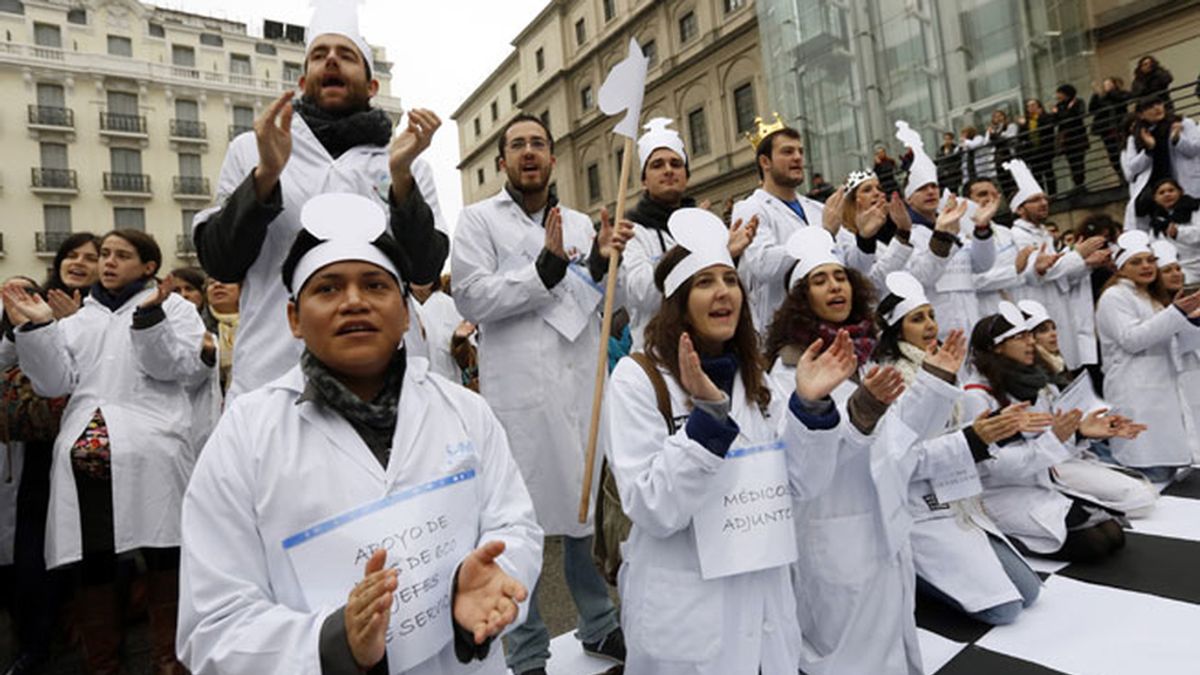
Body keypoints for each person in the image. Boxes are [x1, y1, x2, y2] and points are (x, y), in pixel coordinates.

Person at [177, 193, 543, 675]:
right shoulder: (246, 434)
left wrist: (488, 585)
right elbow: (213, 624)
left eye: (374, 285)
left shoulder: (464, 410)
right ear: (294, 319)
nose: (353, 301)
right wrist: (333, 642)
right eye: (327, 288)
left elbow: (514, 526)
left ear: (406, 314)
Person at [603, 208, 850, 674]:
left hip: (765, 605)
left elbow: (803, 487)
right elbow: (651, 507)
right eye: (704, 282)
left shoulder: (758, 381)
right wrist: (707, 424)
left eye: (730, 280)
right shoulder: (638, 380)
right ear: (677, 301)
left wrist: (811, 410)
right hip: (689, 612)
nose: (723, 292)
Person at [192, 2, 447, 400]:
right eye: (319, 55)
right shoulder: (253, 149)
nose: (331, 60)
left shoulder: (405, 162)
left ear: (372, 85)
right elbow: (221, 260)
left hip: (384, 375)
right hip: (274, 372)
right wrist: (266, 177)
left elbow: (425, 269)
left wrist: (401, 181)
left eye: (346, 55)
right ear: (302, 80)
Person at [451, 114, 631, 674]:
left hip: (580, 387)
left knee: (581, 515)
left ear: (553, 159)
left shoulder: (579, 224)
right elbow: (471, 297)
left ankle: (599, 624)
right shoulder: (477, 222)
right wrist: (544, 271)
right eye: (517, 145)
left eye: (539, 144)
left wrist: (601, 264)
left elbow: (608, 304)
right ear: (502, 162)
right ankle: (526, 649)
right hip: (520, 398)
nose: (529, 152)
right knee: (517, 523)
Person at [764, 231, 973, 674]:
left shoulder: (864, 360)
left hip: (883, 525)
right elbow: (802, 466)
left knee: (888, 643)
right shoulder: (785, 373)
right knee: (845, 650)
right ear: (801, 298)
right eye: (819, 281)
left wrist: (935, 382)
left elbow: (899, 442)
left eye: (840, 276)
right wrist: (860, 414)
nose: (835, 286)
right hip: (832, 530)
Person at [3, 230, 211, 675]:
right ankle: (103, 664)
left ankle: (168, 659)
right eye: (105, 255)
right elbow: (53, 383)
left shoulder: (176, 308)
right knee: (93, 558)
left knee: (164, 551)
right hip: (88, 452)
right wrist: (38, 328)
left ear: (149, 266)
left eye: (121, 255)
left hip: (155, 445)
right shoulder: (78, 320)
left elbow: (182, 368)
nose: (108, 262)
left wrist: (149, 320)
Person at [873, 274, 1041, 627]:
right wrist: (974, 441)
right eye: (917, 318)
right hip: (919, 507)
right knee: (1003, 610)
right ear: (896, 330)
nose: (930, 325)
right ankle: (907, 575)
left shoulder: (945, 366)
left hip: (958, 499)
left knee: (1029, 592)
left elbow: (957, 432)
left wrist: (995, 430)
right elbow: (904, 458)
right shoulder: (889, 377)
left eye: (931, 315)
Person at [966, 303, 1144, 562]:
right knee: (1095, 545)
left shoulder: (1031, 384)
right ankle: (1002, 537)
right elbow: (991, 467)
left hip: (1038, 484)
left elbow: (1052, 443)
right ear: (997, 347)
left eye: (1029, 335)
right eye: (1020, 337)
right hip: (999, 493)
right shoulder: (978, 397)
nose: (1030, 343)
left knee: (1114, 536)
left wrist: (1081, 433)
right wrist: (1055, 440)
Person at [622, 118, 756, 350]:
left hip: (708, 349)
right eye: (657, 165)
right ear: (644, 181)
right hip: (658, 354)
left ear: (686, 175)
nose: (668, 170)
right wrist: (693, 250)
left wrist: (728, 256)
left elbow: (734, 291)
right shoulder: (631, 230)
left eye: (676, 164)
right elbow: (642, 294)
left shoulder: (706, 224)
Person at [1096, 231, 1200, 482]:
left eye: (1150, 260)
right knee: (1147, 466)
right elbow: (1132, 340)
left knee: (1167, 465)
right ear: (1121, 269)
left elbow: (1174, 343)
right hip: (1135, 392)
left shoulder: (1152, 298)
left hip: (1163, 392)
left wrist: (1192, 321)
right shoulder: (1114, 297)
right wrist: (1175, 313)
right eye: (1136, 262)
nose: (1146, 266)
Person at [734, 119, 841, 334]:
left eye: (800, 151)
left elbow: (845, 262)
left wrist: (866, 238)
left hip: (825, 326)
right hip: (779, 333)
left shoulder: (818, 209)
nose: (798, 158)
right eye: (787, 152)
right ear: (765, 162)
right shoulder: (750, 208)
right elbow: (763, 264)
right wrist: (823, 236)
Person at [1004, 159, 1110, 369]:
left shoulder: (1043, 233)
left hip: (1059, 306)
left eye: (1044, 198)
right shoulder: (1017, 236)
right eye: (1035, 200)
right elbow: (1040, 272)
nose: (1043, 203)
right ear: (1019, 209)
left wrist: (1086, 264)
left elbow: (1060, 272)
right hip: (1037, 305)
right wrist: (1078, 255)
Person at [897, 121, 998, 339]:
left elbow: (982, 265)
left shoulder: (955, 225)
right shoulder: (908, 236)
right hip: (938, 331)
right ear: (909, 197)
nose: (931, 192)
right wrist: (943, 237)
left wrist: (981, 229)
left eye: (934, 186)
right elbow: (921, 277)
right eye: (922, 188)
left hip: (972, 323)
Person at [1122, 97, 1200, 232]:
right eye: (1150, 107)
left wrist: (1177, 138)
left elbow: (1194, 149)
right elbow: (1131, 169)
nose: (1156, 108)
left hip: (1183, 184)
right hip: (1156, 189)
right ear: (1141, 114)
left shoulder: (1183, 123)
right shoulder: (1136, 136)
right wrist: (1148, 149)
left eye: (1159, 103)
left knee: (1189, 225)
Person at [409, 276, 471, 385]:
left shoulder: (453, 308)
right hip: (407, 390)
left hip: (448, 388)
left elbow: (469, 362)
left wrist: (459, 342)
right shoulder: (397, 306)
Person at [1145, 177, 1200, 283]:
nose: (1167, 194)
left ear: (1180, 192)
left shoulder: (1195, 209)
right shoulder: (1157, 222)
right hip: (1181, 270)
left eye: (1171, 190)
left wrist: (1179, 233)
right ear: (1155, 198)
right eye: (1161, 192)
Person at [1089, 77, 1132, 180]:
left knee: (1123, 151)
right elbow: (1092, 109)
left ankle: (1127, 174)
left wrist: (1111, 92)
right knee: (1112, 154)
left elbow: (1123, 99)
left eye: (1109, 84)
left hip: (1119, 126)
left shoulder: (1120, 94)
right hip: (1107, 129)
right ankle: (1120, 175)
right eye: (1105, 84)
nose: (1106, 86)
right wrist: (1096, 94)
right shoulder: (1101, 98)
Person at [203, 277, 240, 394]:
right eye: (211, 283)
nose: (217, 285)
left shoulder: (257, 325)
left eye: (226, 281)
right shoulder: (199, 328)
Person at [1051, 84, 1090, 192]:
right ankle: (1076, 184)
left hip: (1077, 135)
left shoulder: (1078, 102)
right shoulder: (1059, 105)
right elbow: (1055, 121)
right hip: (1066, 138)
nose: (1057, 96)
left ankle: (1080, 184)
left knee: (1079, 161)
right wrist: (1059, 113)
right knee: (1071, 162)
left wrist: (1064, 113)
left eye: (1060, 93)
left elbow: (1078, 115)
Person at [1017, 98, 1057, 197]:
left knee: (1048, 172)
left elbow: (1050, 128)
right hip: (1033, 152)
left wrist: (1039, 117)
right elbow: (1021, 137)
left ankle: (1053, 194)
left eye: (1033, 105)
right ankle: (1041, 195)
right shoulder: (1027, 121)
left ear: (1039, 106)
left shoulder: (1044, 117)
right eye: (1029, 106)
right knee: (1036, 175)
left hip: (1045, 149)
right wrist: (1022, 125)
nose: (1031, 108)